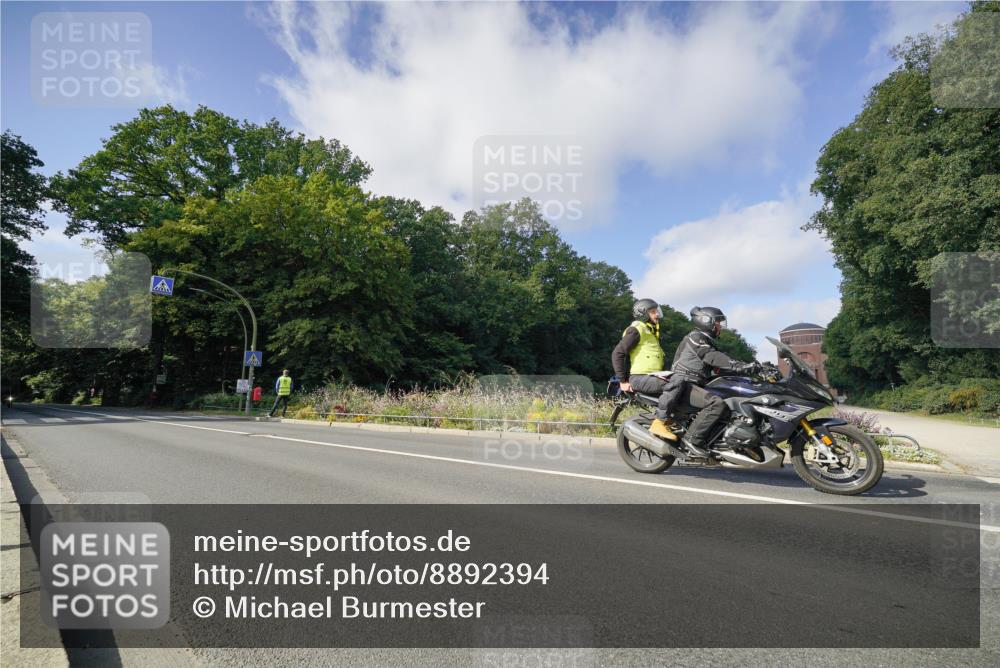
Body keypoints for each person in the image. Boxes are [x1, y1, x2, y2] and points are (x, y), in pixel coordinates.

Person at [664, 306, 758, 458]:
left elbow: (719, 366)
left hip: (696, 384)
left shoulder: (707, 341)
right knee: (717, 403)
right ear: (706, 321)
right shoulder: (695, 337)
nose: (720, 326)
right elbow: (711, 357)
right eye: (718, 322)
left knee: (728, 403)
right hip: (684, 384)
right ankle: (692, 440)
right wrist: (737, 365)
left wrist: (748, 368)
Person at [611, 298, 678, 441]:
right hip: (640, 378)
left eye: (656, 311)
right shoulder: (636, 330)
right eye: (653, 312)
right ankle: (660, 422)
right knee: (675, 383)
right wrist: (622, 381)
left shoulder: (650, 332)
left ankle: (673, 420)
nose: (657, 315)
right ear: (643, 313)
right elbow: (618, 353)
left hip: (652, 376)